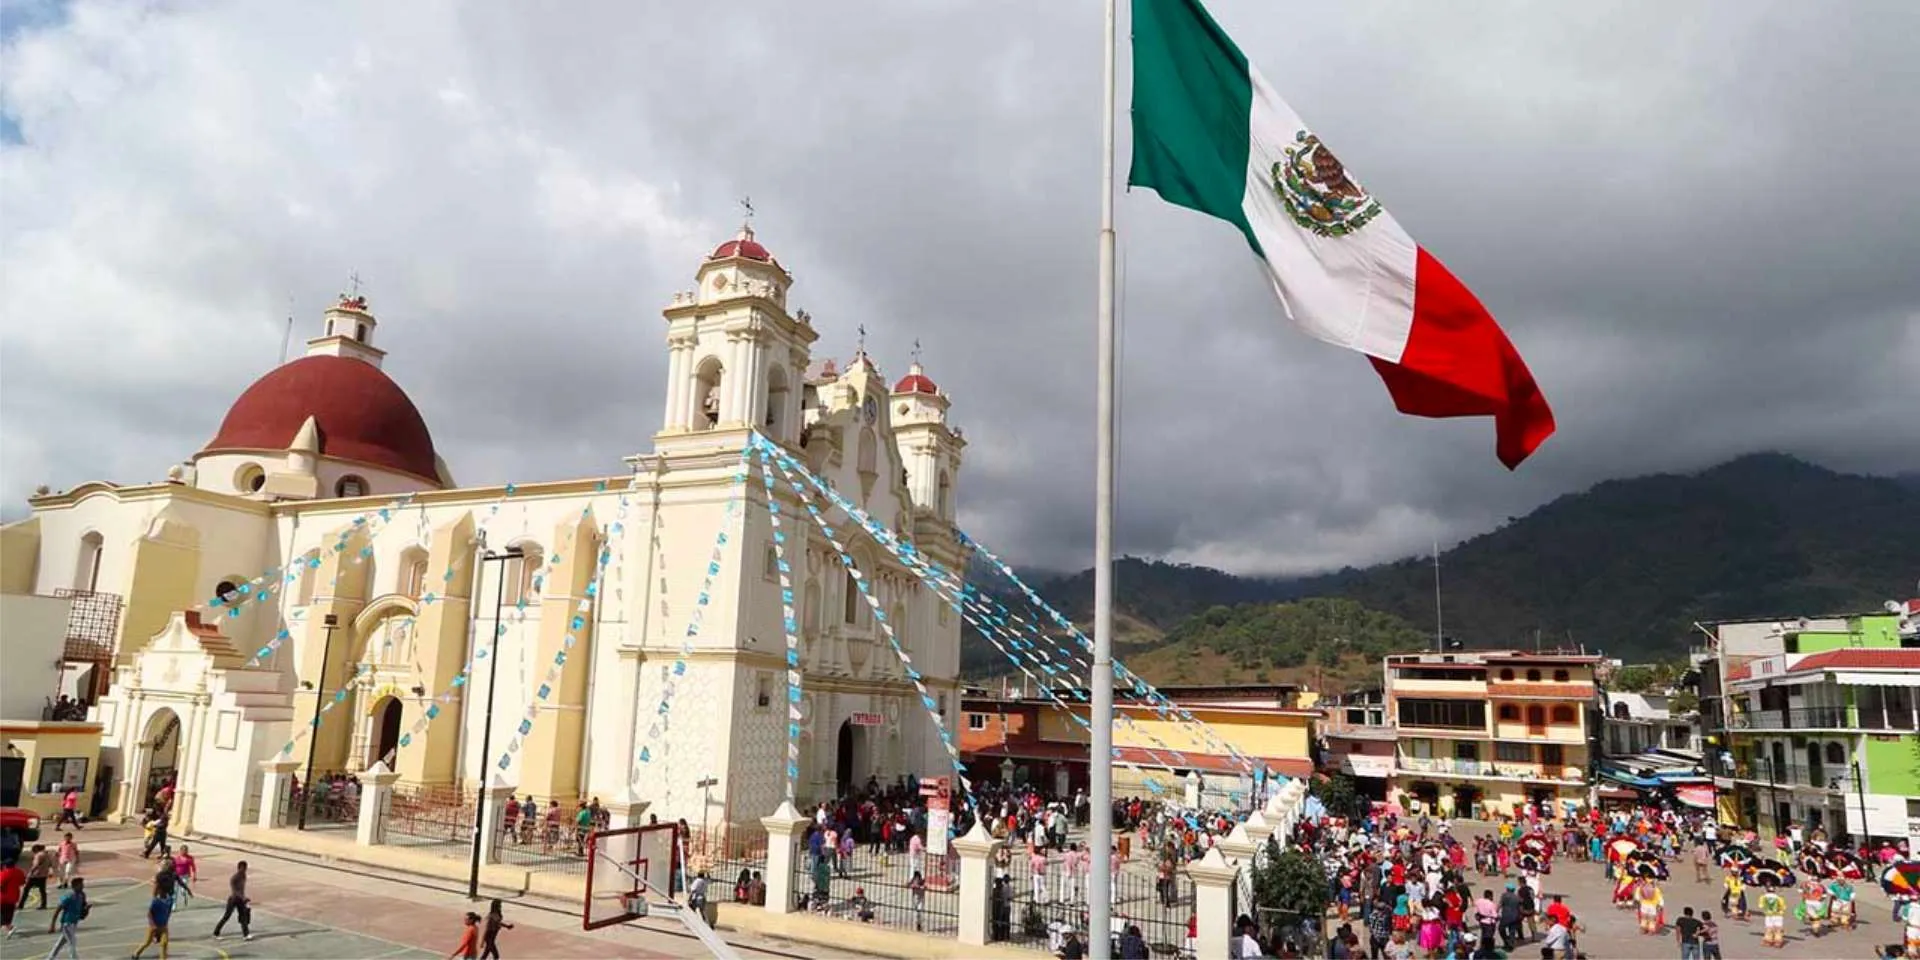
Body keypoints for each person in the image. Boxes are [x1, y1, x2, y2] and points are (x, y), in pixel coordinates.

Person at [43, 875, 87, 960]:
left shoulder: (81, 896)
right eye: (80, 884)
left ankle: (50, 957)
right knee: (72, 942)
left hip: (74, 923)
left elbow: (82, 913)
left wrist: (86, 910)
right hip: (67, 923)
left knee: (61, 942)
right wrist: (52, 924)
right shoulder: (69, 896)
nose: (83, 886)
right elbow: (58, 909)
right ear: (75, 886)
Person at [211, 861, 252, 941]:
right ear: (239, 868)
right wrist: (243, 897)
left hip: (240, 899)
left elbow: (241, 889)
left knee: (243, 917)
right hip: (233, 899)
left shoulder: (244, 876)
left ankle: (246, 934)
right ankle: (216, 933)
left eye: (246, 868)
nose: (245, 869)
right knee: (226, 916)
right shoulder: (234, 878)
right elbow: (235, 890)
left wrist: (244, 898)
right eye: (243, 868)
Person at [131, 891, 173, 960]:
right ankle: (136, 953)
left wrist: (166, 921)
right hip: (154, 927)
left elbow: (168, 912)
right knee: (147, 942)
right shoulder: (156, 901)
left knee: (164, 944)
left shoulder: (170, 900)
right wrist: (153, 924)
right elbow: (149, 913)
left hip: (163, 926)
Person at [1756, 882, 1787, 949]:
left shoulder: (1763, 897)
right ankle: (1777, 941)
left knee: (1768, 928)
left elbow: (1760, 906)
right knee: (1778, 929)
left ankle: (1768, 940)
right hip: (1778, 915)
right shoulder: (1779, 898)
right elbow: (1783, 907)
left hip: (1769, 915)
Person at [0, 857, 24, 938]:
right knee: (9, 913)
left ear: (5, 865)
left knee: (2, 914)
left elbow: (1, 885)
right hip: (14, 897)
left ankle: (10, 927)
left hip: (3, 897)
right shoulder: (19, 872)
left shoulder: (4, 873)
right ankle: (9, 927)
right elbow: (22, 882)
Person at [23, 844, 51, 909]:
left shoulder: (38, 855)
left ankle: (21, 904)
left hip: (36, 875)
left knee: (26, 889)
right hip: (43, 875)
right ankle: (44, 904)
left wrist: (31, 872)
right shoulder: (46, 855)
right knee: (42, 891)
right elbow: (49, 864)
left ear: (35, 849)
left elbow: (36, 865)